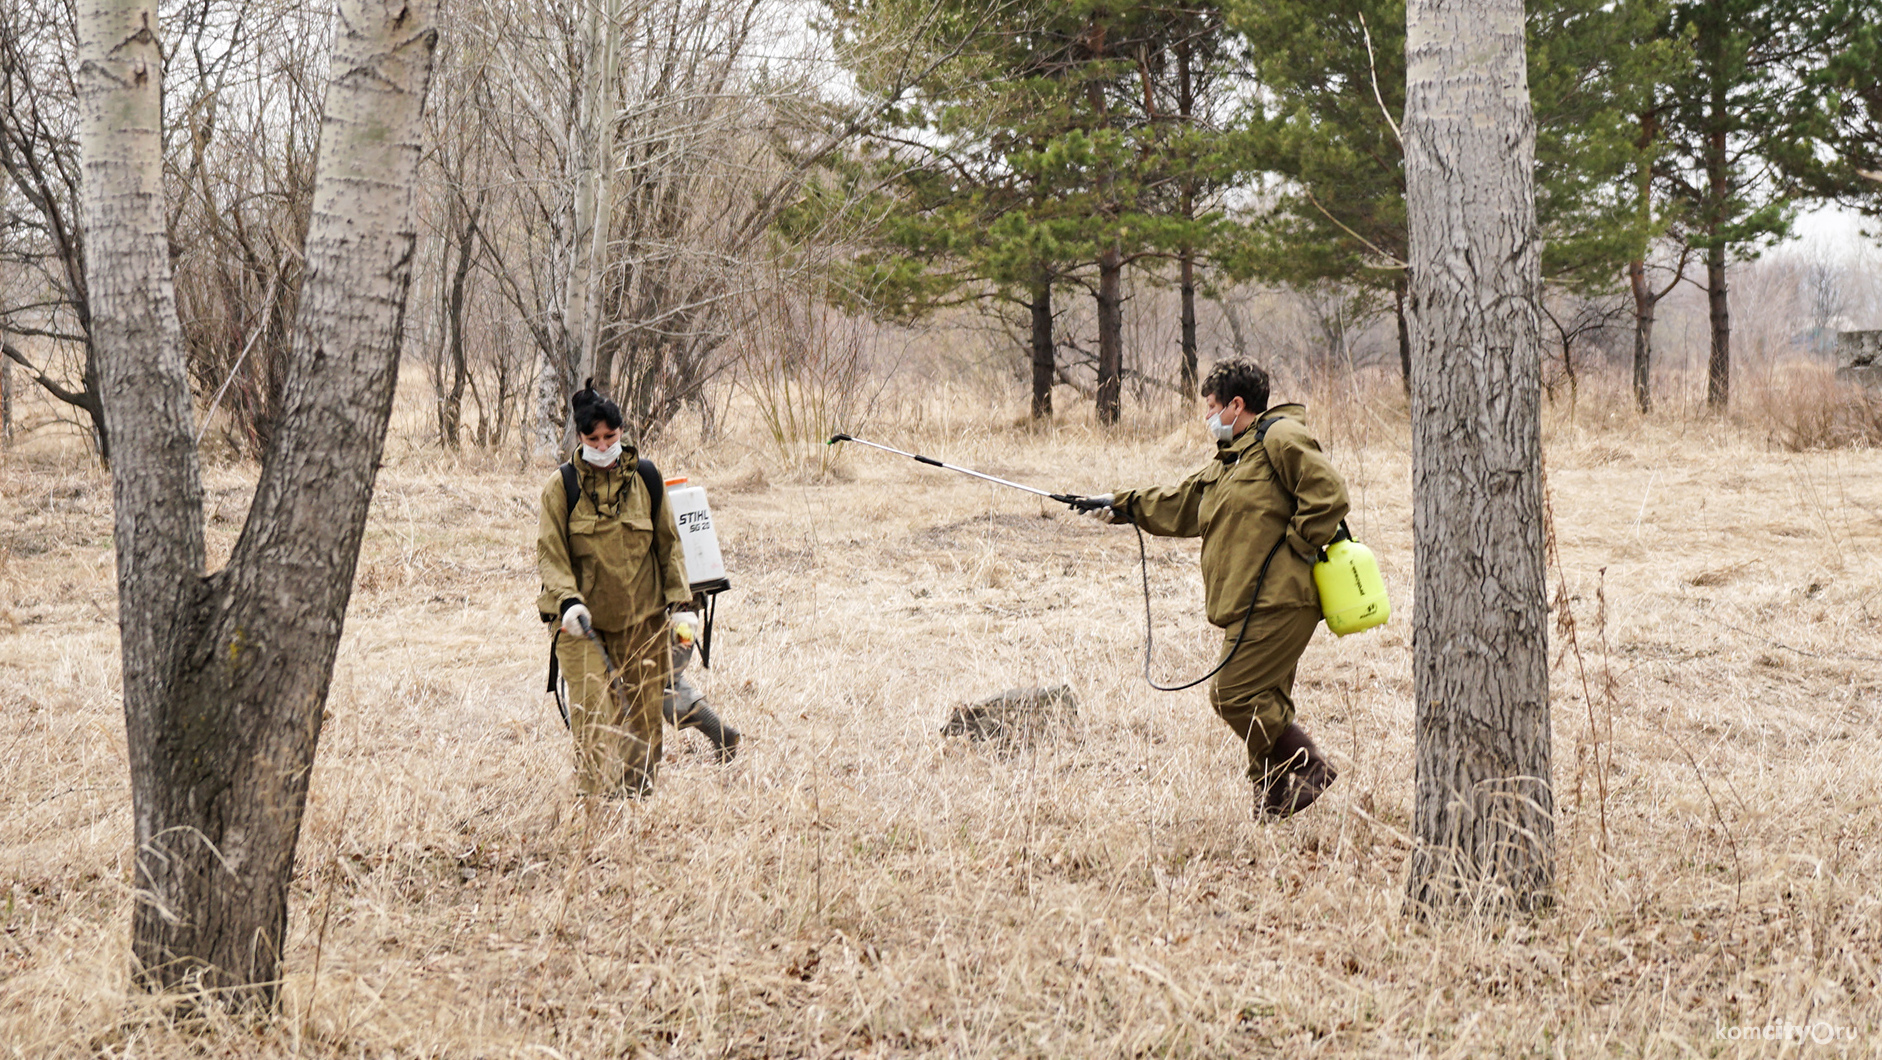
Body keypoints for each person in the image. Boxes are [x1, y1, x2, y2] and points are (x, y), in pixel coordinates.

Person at [1080, 359, 1349, 816]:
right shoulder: (1232, 459)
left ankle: (1309, 767)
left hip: (1281, 599)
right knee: (1265, 700)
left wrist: (1297, 546)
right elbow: (1184, 503)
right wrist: (1121, 505)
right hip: (1244, 602)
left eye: (1211, 407)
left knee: (1232, 694)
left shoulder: (1279, 437)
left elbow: (1328, 493)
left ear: (1235, 405)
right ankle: (1272, 807)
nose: (1208, 417)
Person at [537, 381, 694, 797]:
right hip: (581, 625)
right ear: (580, 438)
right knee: (593, 716)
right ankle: (593, 810)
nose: (603, 445)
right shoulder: (561, 487)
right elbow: (550, 554)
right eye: (593, 438)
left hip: (641, 622)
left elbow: (668, 544)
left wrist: (681, 604)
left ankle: (635, 804)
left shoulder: (646, 478)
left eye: (611, 436)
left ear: (622, 432)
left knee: (642, 723)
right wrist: (568, 601)